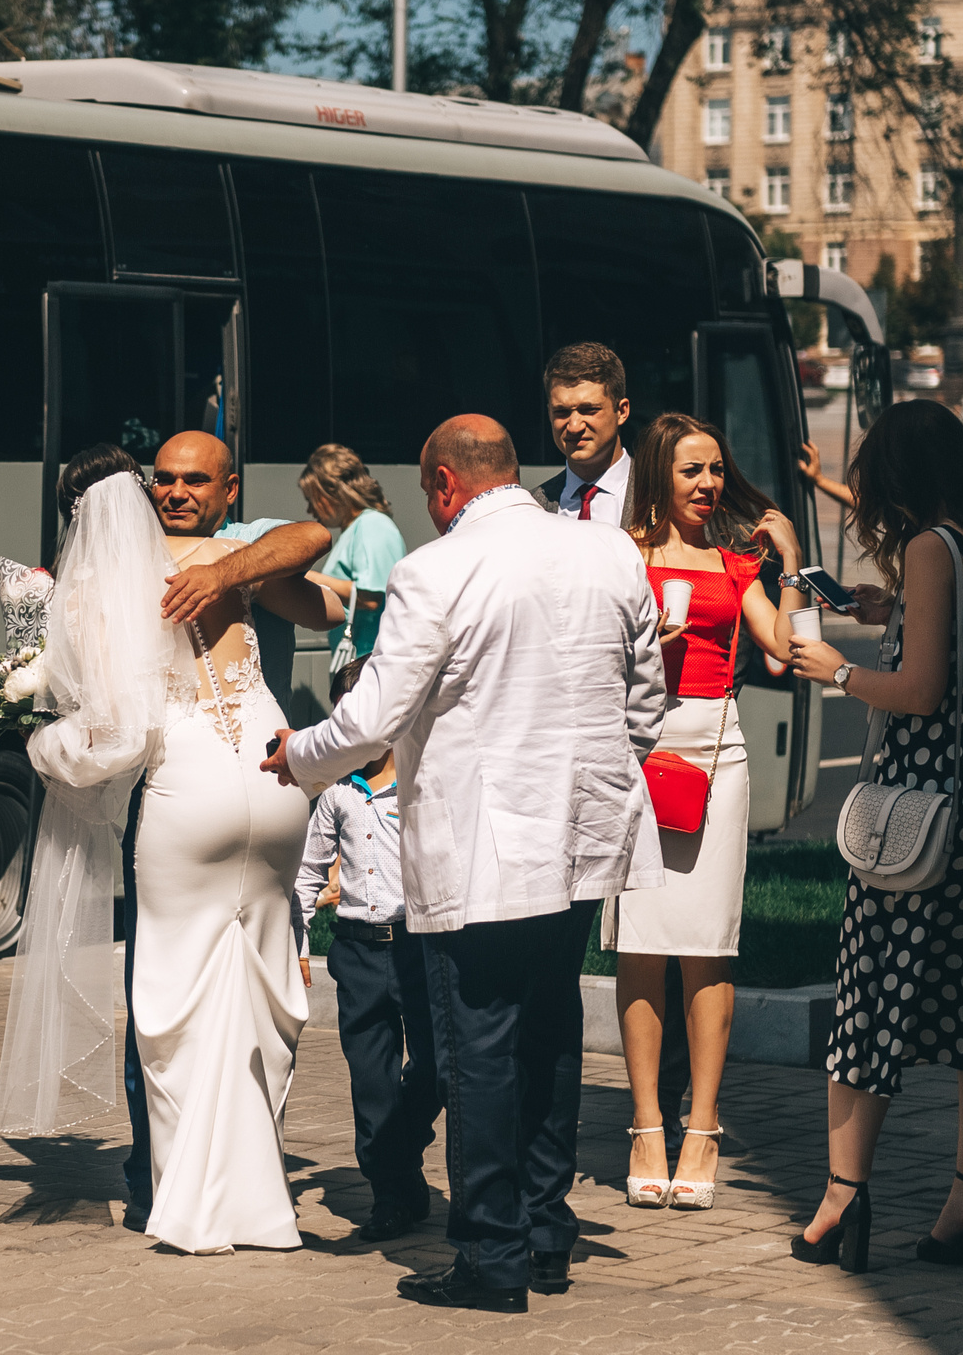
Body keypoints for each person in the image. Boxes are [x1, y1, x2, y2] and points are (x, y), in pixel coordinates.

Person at [262, 415, 669, 1313]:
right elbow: (645, 704)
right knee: (550, 1033)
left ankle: (491, 1254)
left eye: (427, 491)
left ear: (445, 484)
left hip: (482, 848)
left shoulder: (435, 569)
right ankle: (547, 1233)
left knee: (478, 1047)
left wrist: (298, 756)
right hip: (581, 838)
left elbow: (373, 717)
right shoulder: (610, 553)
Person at [0, 431, 333, 1255]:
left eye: (191, 481)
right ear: (144, 494)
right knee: (260, 991)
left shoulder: (90, 590)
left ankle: (185, 1201)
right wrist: (230, 571)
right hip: (274, 774)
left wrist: (45, 747)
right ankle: (259, 1194)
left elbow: (116, 734)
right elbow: (321, 557)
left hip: (189, 788)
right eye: (163, 483)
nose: (174, 494)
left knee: (174, 1002)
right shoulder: (225, 557)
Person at [781, 399, 963, 1277]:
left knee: (872, 992)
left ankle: (842, 1198)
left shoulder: (932, 546)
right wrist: (889, 609)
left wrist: (841, 670)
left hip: (924, 808)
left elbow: (923, 692)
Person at [612, 413, 812, 1214]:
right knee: (639, 942)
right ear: (660, 473)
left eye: (717, 469)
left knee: (707, 946)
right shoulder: (622, 555)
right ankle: (645, 1126)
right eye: (692, 470)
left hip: (717, 750)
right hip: (636, 750)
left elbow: (786, 653)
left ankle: (702, 1126)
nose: (709, 484)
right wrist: (642, 642)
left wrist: (791, 565)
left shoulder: (735, 564)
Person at [294, 744, 439, 1242]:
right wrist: (299, 940)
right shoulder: (337, 793)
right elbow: (309, 872)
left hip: (418, 948)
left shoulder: (422, 779)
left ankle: (402, 1151)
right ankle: (391, 1196)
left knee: (437, 1065)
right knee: (372, 1083)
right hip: (358, 953)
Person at [299, 443, 408, 681]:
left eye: (312, 498)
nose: (309, 509)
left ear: (332, 491)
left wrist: (309, 578)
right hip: (361, 666)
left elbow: (371, 597)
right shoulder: (356, 529)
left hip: (371, 666)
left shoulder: (371, 525)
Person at [535, 343, 634, 526]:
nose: (574, 426)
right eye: (562, 412)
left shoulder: (663, 495)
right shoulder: (533, 507)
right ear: (549, 414)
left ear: (621, 411)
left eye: (589, 410)